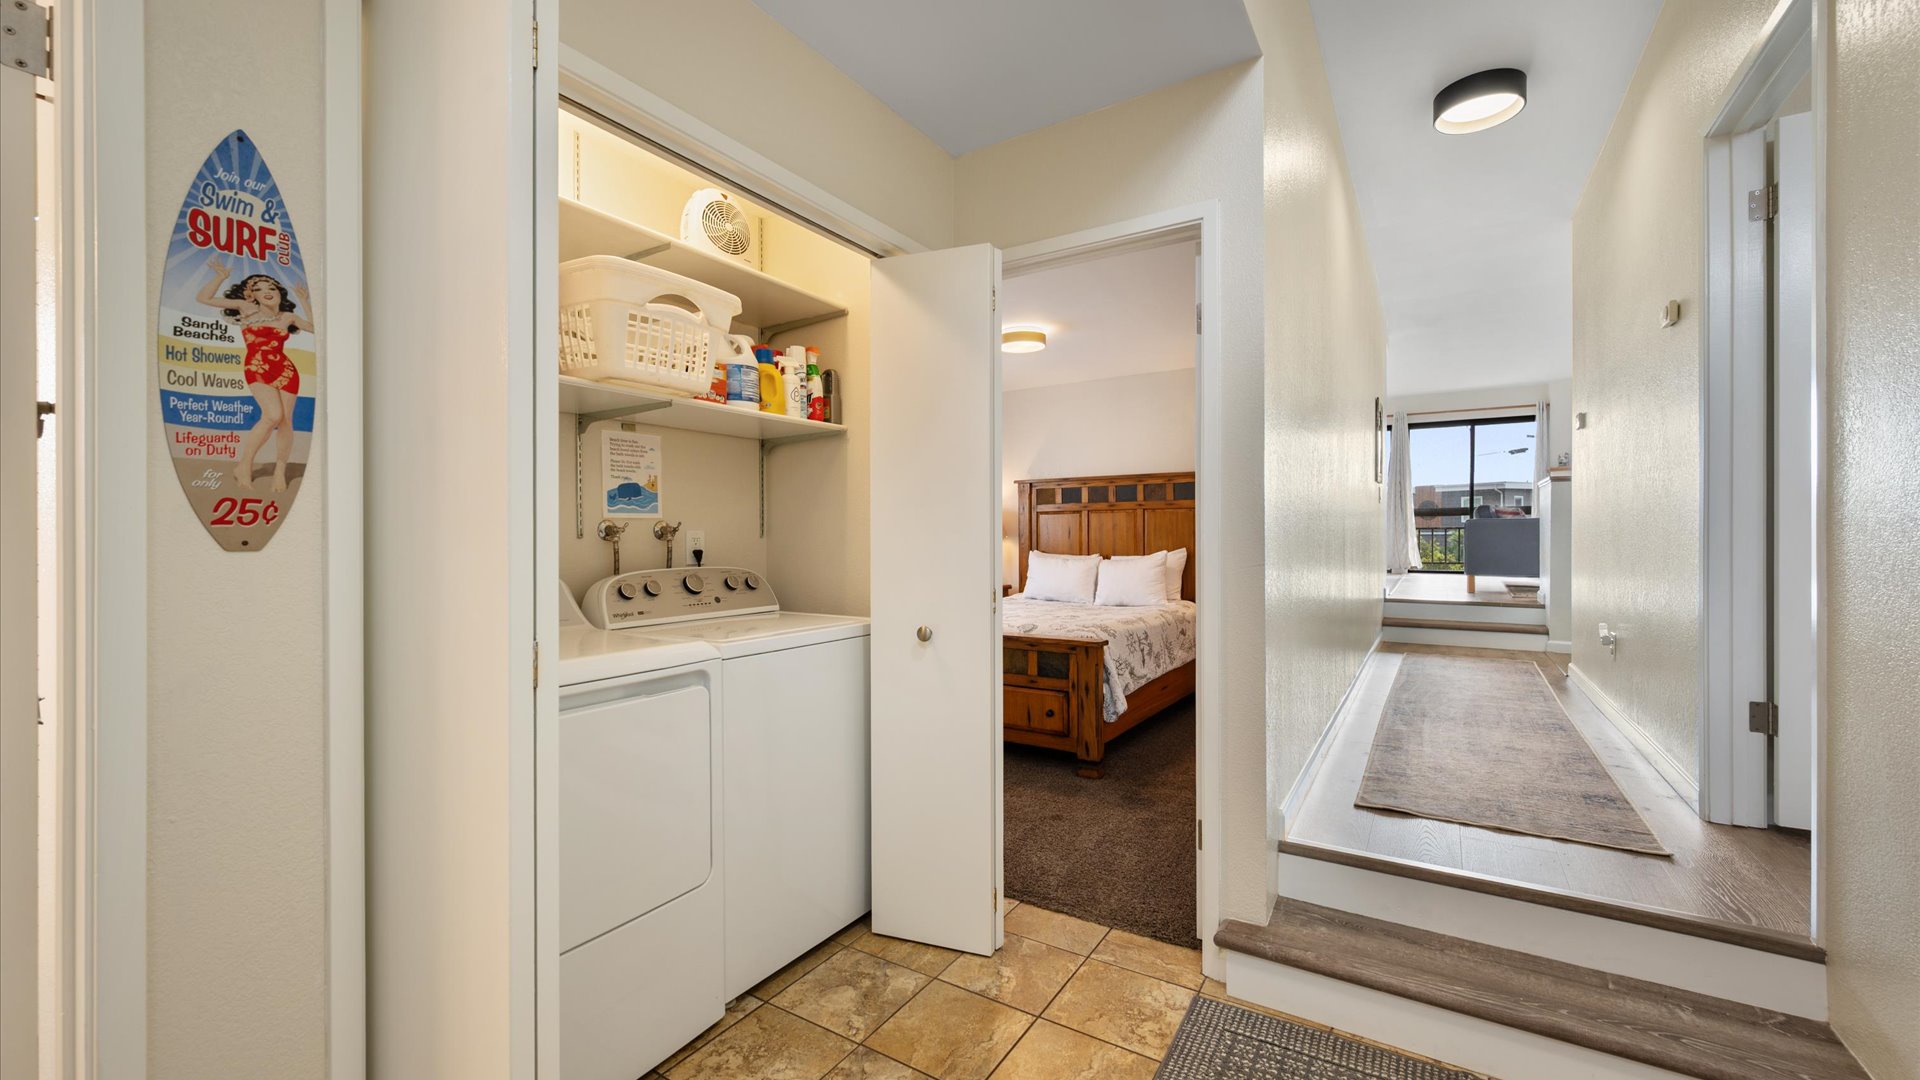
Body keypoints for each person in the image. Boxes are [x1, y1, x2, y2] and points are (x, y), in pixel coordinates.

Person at [196, 256, 313, 492]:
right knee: (272, 415)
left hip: (286, 370)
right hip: (257, 368)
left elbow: (317, 329)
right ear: (252, 296)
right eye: (259, 289)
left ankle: (280, 470)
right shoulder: (246, 308)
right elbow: (202, 298)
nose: (266, 291)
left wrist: (304, 300)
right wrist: (220, 277)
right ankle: (244, 465)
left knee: (286, 420)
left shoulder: (287, 318)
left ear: (279, 293)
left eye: (271, 287)